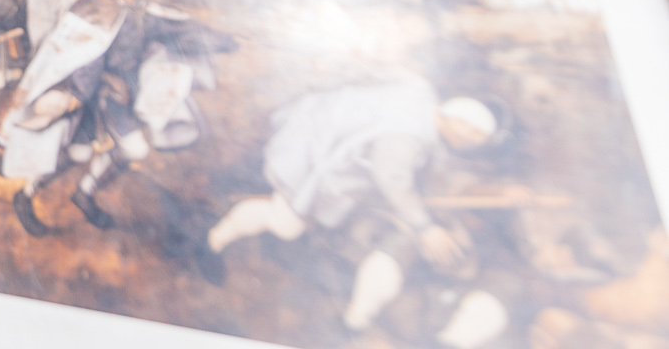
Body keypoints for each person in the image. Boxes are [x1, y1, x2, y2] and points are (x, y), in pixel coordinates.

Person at [206, 77, 504, 339]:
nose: (472, 143)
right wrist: (425, 228)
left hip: (329, 142)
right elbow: (393, 179)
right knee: (286, 222)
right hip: (319, 155)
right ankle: (211, 239)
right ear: (459, 121)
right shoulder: (408, 137)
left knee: (302, 222)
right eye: (473, 135)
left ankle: (217, 235)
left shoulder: (423, 100)